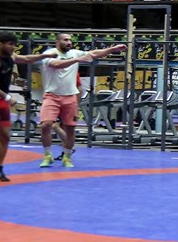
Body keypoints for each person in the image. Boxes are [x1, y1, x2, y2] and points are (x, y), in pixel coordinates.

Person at [37, 33, 128, 168]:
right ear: (57, 41)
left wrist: (112, 49)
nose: (69, 42)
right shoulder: (50, 53)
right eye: (65, 40)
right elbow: (56, 65)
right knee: (46, 125)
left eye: (70, 40)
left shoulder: (75, 53)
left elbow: (94, 53)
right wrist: (77, 60)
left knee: (70, 128)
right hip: (52, 95)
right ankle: (47, 155)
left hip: (70, 96)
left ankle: (67, 157)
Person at [0, 33, 52, 183]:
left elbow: (27, 59)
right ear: (0, 44)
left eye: (14, 44)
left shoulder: (12, 57)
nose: (13, 47)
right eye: (10, 44)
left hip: (2, 102)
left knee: (6, 136)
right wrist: (7, 97)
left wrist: (45, 55)